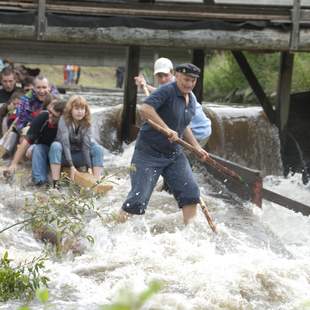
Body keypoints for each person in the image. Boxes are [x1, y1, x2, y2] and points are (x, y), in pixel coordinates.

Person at [119, 63, 209, 224]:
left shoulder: (192, 98)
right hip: (148, 153)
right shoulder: (167, 90)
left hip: (173, 154)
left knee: (191, 193)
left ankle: (191, 232)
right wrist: (167, 129)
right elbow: (145, 109)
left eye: (193, 81)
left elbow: (184, 125)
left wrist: (196, 146)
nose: (189, 84)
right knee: (137, 199)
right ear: (176, 75)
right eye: (186, 79)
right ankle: (115, 230)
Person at [135, 57, 212, 146]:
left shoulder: (182, 89)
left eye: (166, 75)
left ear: (173, 73)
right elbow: (161, 93)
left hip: (198, 131)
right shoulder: (171, 86)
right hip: (197, 130)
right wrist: (145, 86)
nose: (163, 79)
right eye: (160, 76)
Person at [3, 98, 65, 186]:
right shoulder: (43, 117)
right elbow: (26, 142)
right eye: (50, 112)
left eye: (54, 115)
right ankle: (40, 181)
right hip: (42, 150)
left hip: (58, 154)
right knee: (37, 148)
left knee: (55, 147)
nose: (50, 116)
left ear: (62, 117)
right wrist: (14, 164)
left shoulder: (67, 124)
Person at [49, 95, 104, 187]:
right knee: (56, 145)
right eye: (76, 108)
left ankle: (96, 182)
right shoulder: (63, 120)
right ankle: (55, 184)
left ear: (86, 111)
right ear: (70, 110)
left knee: (97, 148)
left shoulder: (87, 123)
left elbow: (86, 147)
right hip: (62, 157)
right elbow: (65, 144)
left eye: (82, 109)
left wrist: (89, 167)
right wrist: (71, 166)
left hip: (78, 156)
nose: (80, 112)